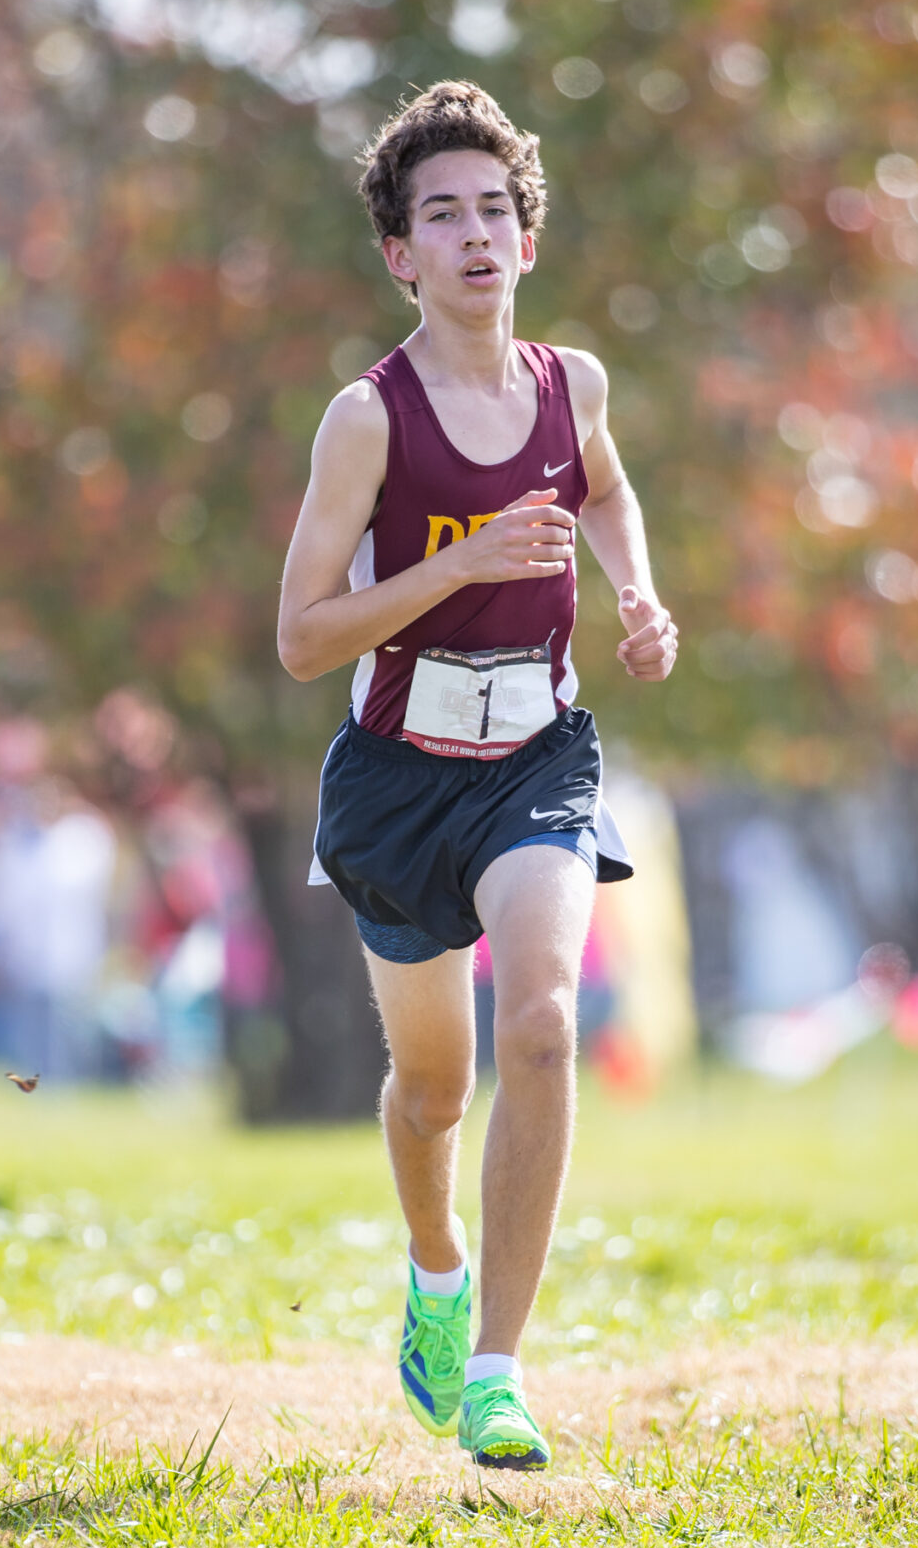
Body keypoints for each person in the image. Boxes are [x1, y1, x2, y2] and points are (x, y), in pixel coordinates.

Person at [277, 80, 677, 1472]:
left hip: (535, 763)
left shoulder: (575, 386)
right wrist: (462, 564)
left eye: (494, 210)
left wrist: (636, 592)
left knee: (545, 1024)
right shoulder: (367, 419)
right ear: (400, 253)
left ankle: (498, 1372)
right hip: (397, 778)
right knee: (434, 1089)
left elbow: (606, 490)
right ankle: (435, 1267)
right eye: (441, 215)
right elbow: (300, 636)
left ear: (528, 237)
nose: (474, 235)